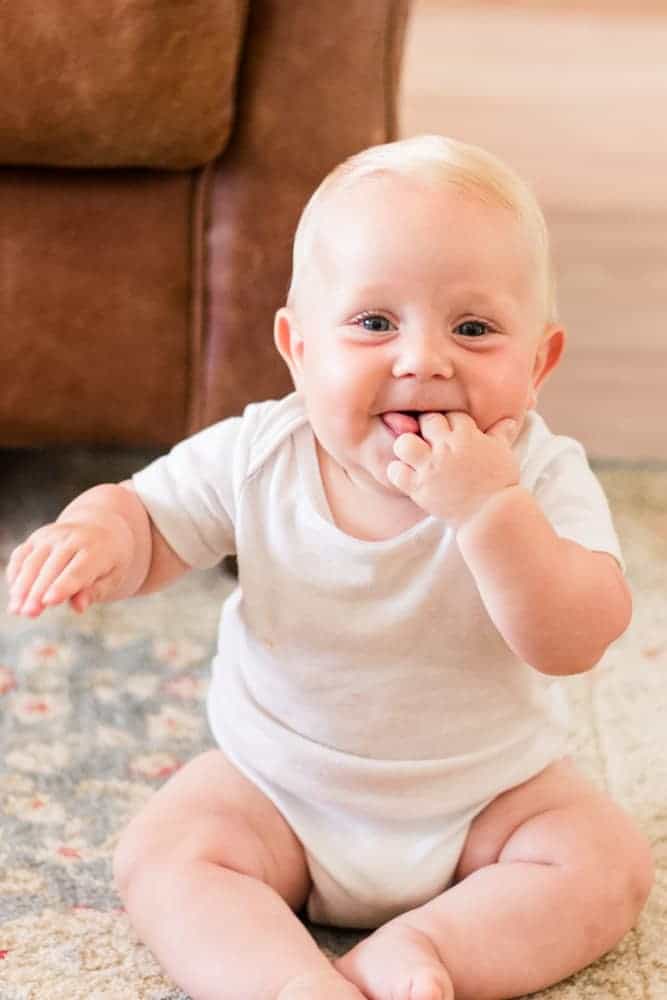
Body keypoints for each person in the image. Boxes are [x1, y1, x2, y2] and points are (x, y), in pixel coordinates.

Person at [5, 135, 653, 1000]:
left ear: (537, 363)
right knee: (164, 851)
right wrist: (100, 534)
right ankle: (286, 985)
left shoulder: (538, 475)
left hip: (487, 801)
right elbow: (153, 518)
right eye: (374, 323)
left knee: (605, 863)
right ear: (299, 348)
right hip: (278, 789)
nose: (423, 359)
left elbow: (574, 636)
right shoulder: (259, 454)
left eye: (473, 328)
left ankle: (428, 952)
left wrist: (490, 511)